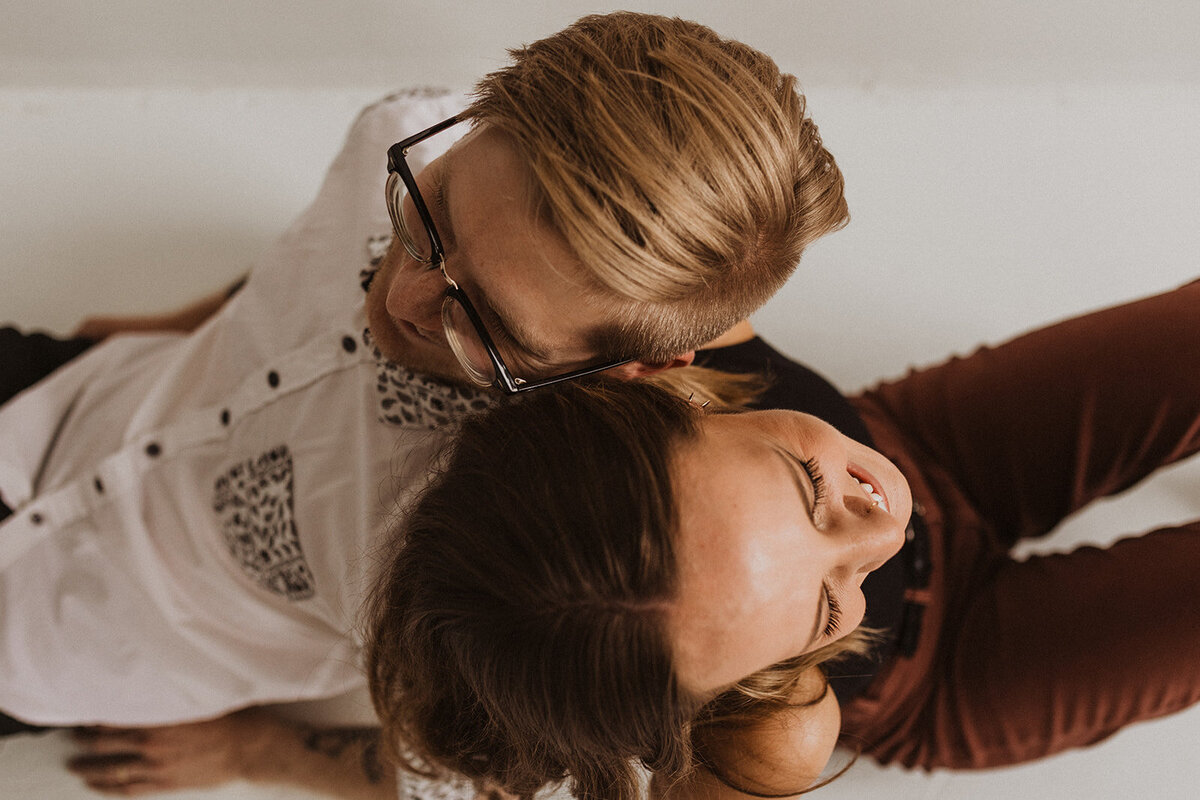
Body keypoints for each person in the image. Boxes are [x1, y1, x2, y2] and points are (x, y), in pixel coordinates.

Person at [0, 11, 850, 798]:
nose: (398, 299)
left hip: (68, 641)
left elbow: (448, 778)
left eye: (484, 321)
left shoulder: (480, 559)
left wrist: (253, 753)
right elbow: (307, 261)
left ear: (630, 368)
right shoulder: (405, 129)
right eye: (428, 216)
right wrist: (179, 323)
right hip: (55, 393)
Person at [364, 278, 1200, 799]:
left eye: (808, 491)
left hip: (930, 441)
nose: (880, 535)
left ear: (663, 387)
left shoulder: (651, 332)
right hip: (947, 672)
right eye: (824, 609)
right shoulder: (768, 739)